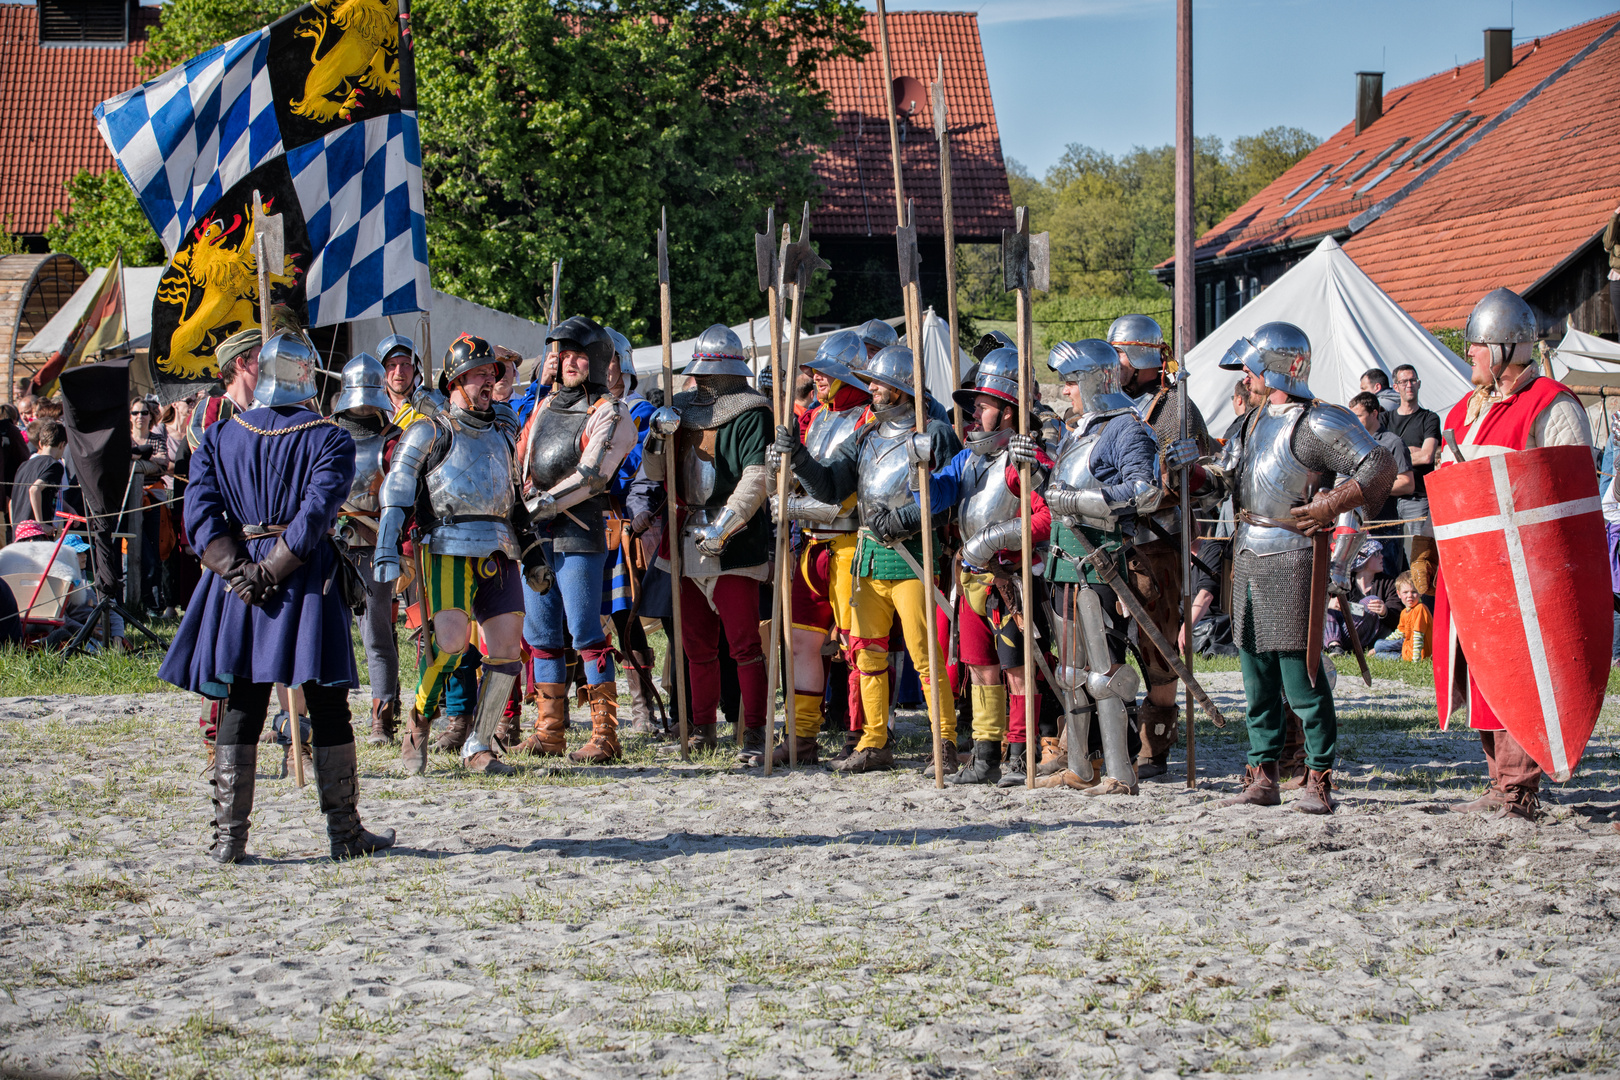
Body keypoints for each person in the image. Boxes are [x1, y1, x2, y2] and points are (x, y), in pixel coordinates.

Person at [158, 332, 395, 863]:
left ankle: (229, 839)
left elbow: (198, 516)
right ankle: (344, 833)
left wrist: (238, 570)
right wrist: (270, 570)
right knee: (328, 700)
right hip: (301, 575)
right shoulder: (327, 437)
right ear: (307, 375)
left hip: (240, 577)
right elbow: (316, 515)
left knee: (241, 701)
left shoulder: (219, 436)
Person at [1206, 322, 1396, 814]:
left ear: (1278, 369)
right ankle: (1262, 773)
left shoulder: (1316, 421)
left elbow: (1377, 465)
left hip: (1293, 554)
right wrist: (1183, 467)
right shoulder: (1249, 422)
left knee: (1301, 679)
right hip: (1248, 551)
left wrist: (1331, 505)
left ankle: (1318, 777)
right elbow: (1222, 475)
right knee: (1256, 679)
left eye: (1253, 368)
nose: (1246, 377)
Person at [1434, 287, 1593, 822]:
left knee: (1519, 671)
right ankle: (1498, 779)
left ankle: (1519, 785)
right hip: (1474, 569)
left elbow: (1565, 494)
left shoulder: (1552, 404)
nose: (1470, 355)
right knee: (1479, 671)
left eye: (1477, 345)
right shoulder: (1463, 410)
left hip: (1525, 572)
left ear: (1505, 347)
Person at [773, 345, 962, 773]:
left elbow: (949, 498)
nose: (871, 388)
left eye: (878, 382)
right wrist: (799, 457)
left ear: (901, 389)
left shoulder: (934, 432)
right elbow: (830, 488)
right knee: (866, 654)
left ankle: (944, 743)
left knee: (924, 654)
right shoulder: (867, 434)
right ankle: (874, 741)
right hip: (868, 555)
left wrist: (908, 518)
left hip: (913, 553)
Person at [374, 333, 550, 776]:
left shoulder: (504, 433)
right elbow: (396, 490)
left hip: (500, 547)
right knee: (450, 644)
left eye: (490, 374)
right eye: (476, 375)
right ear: (453, 381)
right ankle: (419, 720)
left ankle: (479, 743)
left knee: (508, 651)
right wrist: (387, 547)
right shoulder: (430, 430)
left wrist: (532, 556)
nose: (487, 382)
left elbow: (511, 501)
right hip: (447, 545)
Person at [1034, 340, 1163, 793]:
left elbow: (1146, 491)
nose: (1066, 391)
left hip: (1099, 560)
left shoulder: (1125, 428)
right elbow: (1060, 487)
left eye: (1071, 382)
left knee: (1104, 674)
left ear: (1093, 380)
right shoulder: (1082, 429)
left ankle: (1119, 772)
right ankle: (1079, 765)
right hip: (1064, 562)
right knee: (1069, 674)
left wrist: (1076, 500)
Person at [645, 325, 775, 762]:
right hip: (684, 537)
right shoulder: (679, 409)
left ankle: (755, 731)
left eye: (707, 375)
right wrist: (656, 436)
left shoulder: (754, 411)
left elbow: (757, 478)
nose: (700, 382)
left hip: (734, 541)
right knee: (695, 645)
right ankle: (702, 728)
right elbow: (657, 473)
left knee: (744, 644)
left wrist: (724, 528)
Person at [923, 347, 1053, 783]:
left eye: (982, 406)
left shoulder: (1027, 458)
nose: (974, 415)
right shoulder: (967, 457)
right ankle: (984, 757)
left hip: (1011, 581)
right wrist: (919, 467)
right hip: (971, 578)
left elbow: (1043, 519)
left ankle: (1019, 753)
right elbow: (936, 497)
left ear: (1008, 410)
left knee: (1017, 671)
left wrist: (993, 539)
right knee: (980, 670)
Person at [511, 316, 635, 763]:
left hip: (579, 533)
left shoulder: (610, 412)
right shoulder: (543, 407)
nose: (568, 362)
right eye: (562, 354)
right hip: (537, 535)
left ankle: (605, 734)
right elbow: (522, 461)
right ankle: (549, 730)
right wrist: (520, 505)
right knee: (541, 633)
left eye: (578, 353)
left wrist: (540, 504)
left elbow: (592, 476)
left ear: (598, 360)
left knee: (584, 632)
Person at [1107, 313, 1210, 779]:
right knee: (1107, 646)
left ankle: (1154, 744)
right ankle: (1113, 737)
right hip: (1108, 541)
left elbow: (1206, 482)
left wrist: (1183, 472)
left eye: (1122, 355)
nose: (1117, 364)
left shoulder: (1175, 407)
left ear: (1144, 355)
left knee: (1158, 646)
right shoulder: (1108, 403)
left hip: (1157, 541)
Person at [777, 330, 870, 765]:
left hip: (851, 543)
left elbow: (842, 498)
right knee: (799, 642)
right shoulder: (815, 418)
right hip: (811, 548)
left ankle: (860, 735)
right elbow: (801, 477)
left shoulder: (867, 421)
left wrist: (792, 504)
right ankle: (802, 736)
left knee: (857, 646)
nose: (816, 378)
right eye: (815, 372)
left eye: (826, 373)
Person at [330, 353, 405, 747]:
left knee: (377, 633)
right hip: (333, 546)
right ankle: (333, 708)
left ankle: (382, 716)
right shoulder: (326, 434)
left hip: (376, 546)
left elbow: (402, 497)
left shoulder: (392, 441)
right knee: (333, 632)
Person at [1385, 364, 1442, 595]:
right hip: (1389, 499)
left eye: (1413, 380)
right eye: (1404, 381)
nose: (1410, 385)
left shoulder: (1429, 418)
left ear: (1418, 383)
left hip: (1418, 499)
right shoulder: (1386, 419)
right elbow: (1378, 458)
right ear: (1396, 386)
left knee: (1418, 563)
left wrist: (1396, 455)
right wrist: (1410, 453)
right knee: (1387, 560)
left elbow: (1428, 455)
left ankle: (1422, 614)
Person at [1347, 392, 1414, 575]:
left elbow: (1407, 483)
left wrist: (1370, 488)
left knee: (1388, 581)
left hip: (1385, 529)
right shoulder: (1353, 444)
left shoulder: (1392, 443)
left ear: (1374, 413)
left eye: (1359, 415)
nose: (1355, 421)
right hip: (1358, 527)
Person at [1324, 540, 1400, 652]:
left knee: (1370, 600)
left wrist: (1385, 612)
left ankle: (1339, 646)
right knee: (1325, 609)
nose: (1382, 556)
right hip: (1338, 632)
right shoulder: (1341, 581)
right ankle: (1335, 646)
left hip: (1368, 637)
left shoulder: (1388, 583)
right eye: (1376, 553)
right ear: (1363, 559)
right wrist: (1329, 603)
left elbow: (1399, 617)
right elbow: (1313, 605)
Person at [10, 420, 66, 535]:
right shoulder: (54, 465)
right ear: (62, 445)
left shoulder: (24, 465)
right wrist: (40, 524)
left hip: (19, 532)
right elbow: (34, 489)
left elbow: (11, 502)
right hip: (35, 535)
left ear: (40, 443)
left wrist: (15, 528)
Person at [1375, 571, 1432, 660]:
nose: (1409, 595)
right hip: (1407, 647)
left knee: (1379, 653)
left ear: (1420, 593)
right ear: (1399, 594)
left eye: (1414, 592)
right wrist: (1384, 643)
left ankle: (1402, 656)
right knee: (1378, 646)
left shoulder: (1420, 608)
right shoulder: (1404, 612)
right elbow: (1400, 633)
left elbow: (1418, 637)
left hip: (1416, 654)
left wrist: (1415, 661)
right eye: (1405, 592)